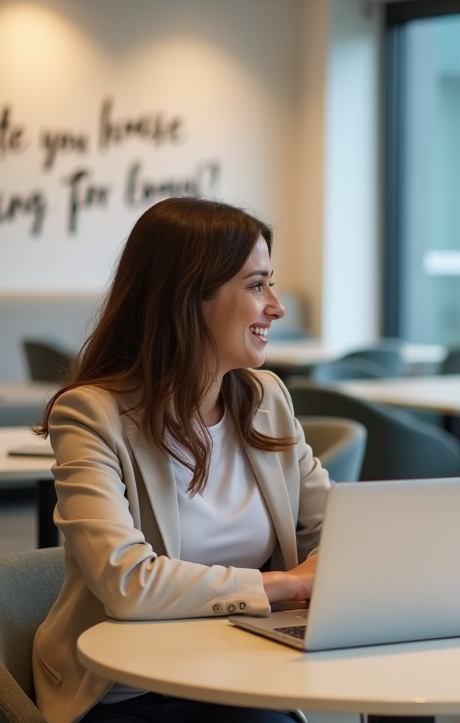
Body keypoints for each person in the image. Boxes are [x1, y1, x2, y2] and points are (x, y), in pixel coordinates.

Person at [32, 198, 331, 723]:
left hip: (241, 667)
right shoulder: (91, 414)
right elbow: (128, 583)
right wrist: (287, 584)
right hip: (128, 690)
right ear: (189, 297)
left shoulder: (267, 400)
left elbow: (333, 530)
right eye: (257, 285)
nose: (277, 307)